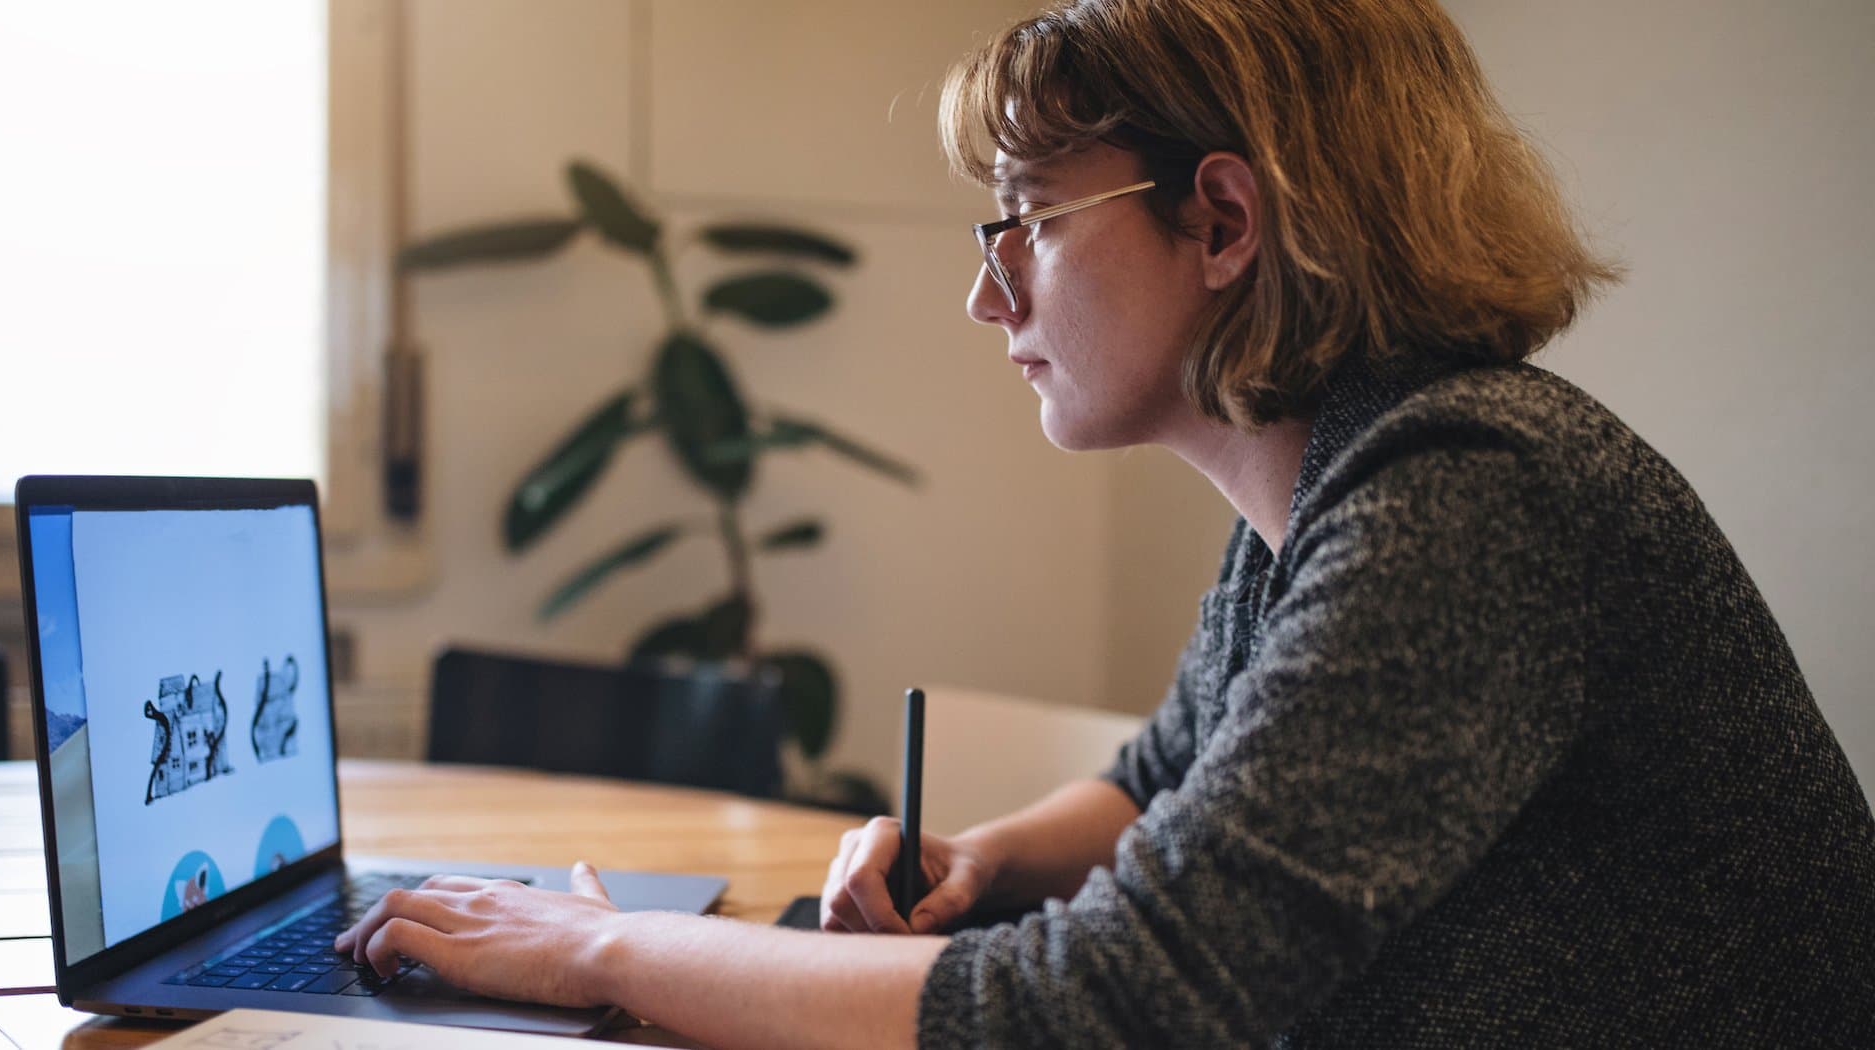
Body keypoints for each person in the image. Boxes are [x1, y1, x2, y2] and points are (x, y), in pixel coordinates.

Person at [336, 1, 1875, 1045]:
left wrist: (593, 949)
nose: (985, 289)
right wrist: (984, 858)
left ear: (1224, 220)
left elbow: (1119, 1003)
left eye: (1027, 219)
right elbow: (1165, 780)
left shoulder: (1470, 494)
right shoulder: (1329, 486)